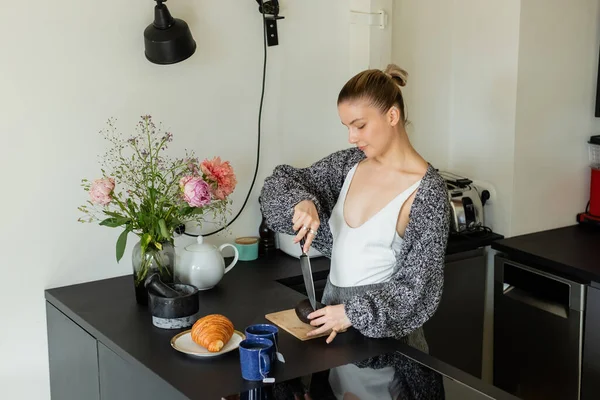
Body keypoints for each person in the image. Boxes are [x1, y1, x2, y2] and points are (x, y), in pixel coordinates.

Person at [259, 64, 450, 345]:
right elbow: (278, 184)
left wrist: (351, 314)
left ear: (392, 115)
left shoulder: (427, 192)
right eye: (347, 127)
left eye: (360, 125)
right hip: (334, 330)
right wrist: (302, 201)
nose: (351, 137)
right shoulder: (348, 165)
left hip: (387, 342)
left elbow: (418, 289)